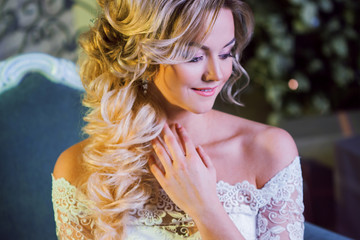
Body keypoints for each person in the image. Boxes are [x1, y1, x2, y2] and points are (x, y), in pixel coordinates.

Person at [52, 0, 305, 239]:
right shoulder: (77, 169)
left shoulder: (268, 150)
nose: (216, 74)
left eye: (226, 54)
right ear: (142, 57)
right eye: (195, 57)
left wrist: (206, 210)